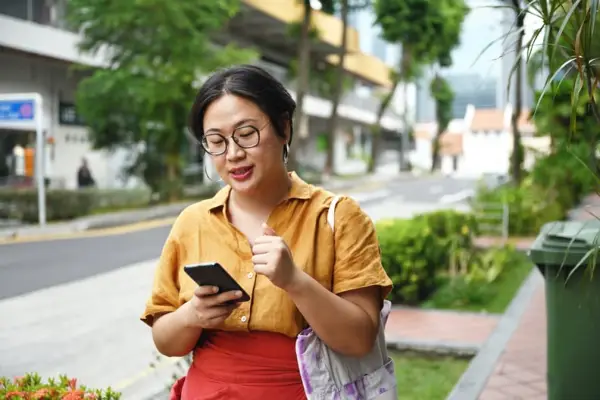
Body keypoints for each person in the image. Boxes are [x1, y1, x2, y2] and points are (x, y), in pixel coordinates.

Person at [140, 64, 393, 400]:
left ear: (283, 127)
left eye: (246, 134)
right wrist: (192, 315)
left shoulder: (338, 217)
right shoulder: (193, 222)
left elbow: (359, 339)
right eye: (216, 141)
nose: (233, 154)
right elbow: (166, 341)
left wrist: (294, 281)